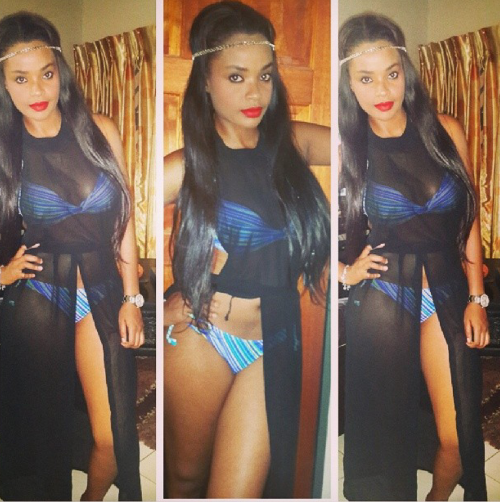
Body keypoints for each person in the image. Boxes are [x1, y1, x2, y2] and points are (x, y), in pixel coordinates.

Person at [164, 1, 330, 498]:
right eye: (236, 77)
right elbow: (107, 218)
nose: (255, 92)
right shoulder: (187, 165)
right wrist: (154, 308)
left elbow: (368, 143)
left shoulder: (293, 143)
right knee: (185, 478)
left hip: (272, 340)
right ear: (205, 80)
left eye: (265, 75)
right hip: (203, 338)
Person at [338, 13, 490, 501]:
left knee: (458, 434)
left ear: (406, 70)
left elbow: (469, 218)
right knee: (385, 432)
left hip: (446, 289)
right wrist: (342, 271)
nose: (382, 89)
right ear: (349, 84)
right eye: (365, 78)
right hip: (383, 297)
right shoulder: (349, 148)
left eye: (391, 73)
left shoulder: (445, 130)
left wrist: (477, 297)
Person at [0, 12, 144, 501]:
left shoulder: (99, 130)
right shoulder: (7, 149)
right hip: (40, 295)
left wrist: (132, 297)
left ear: (60, 69)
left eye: (46, 72)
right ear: (4, 84)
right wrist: (2, 273)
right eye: (20, 78)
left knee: (113, 435)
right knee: (42, 433)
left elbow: (124, 219)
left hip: (102, 291)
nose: (37, 89)